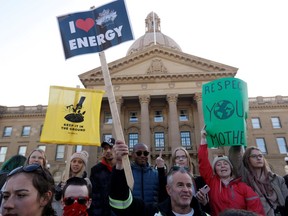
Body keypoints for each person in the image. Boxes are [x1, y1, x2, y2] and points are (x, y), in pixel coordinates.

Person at [109, 140, 207, 216]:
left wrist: (160, 169)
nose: (142, 156)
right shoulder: (125, 173)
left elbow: (164, 196)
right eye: (139, 153)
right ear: (132, 154)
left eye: (146, 153)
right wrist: (119, 164)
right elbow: (118, 197)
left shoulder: (155, 174)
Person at [198, 129, 265, 216]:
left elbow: (256, 209)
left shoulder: (243, 187)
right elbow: (203, 162)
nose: (222, 166)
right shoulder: (212, 182)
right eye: (218, 164)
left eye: (226, 163)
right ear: (215, 170)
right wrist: (203, 139)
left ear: (231, 168)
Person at [229, 145, 288, 216]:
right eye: (254, 156)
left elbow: (286, 199)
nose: (258, 158)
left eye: (260, 156)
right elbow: (234, 157)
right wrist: (237, 144)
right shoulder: (245, 178)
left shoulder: (277, 179)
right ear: (247, 160)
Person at [157, 147, 211, 214]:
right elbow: (162, 199)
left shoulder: (199, 181)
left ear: (188, 160)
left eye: (183, 157)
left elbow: (207, 209)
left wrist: (204, 202)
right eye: (177, 157)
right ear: (174, 161)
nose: (181, 159)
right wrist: (160, 169)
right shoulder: (168, 180)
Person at [55, 150, 91, 215]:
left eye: (80, 162)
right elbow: (57, 197)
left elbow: (89, 201)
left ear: (83, 165)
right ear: (70, 163)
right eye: (74, 161)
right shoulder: (64, 179)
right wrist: (61, 190)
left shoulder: (86, 181)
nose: (76, 164)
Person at [88, 137, 116, 216]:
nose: (108, 151)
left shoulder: (122, 169)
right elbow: (94, 196)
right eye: (105, 148)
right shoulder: (96, 170)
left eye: (111, 147)